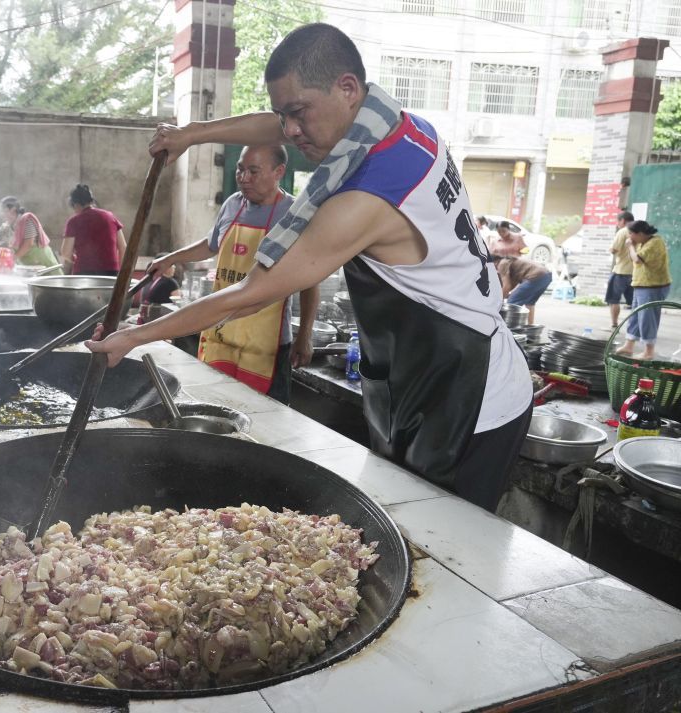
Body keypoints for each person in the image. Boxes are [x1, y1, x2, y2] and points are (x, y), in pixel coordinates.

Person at [88, 23, 532, 512]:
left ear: (347, 88)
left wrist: (133, 338)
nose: (290, 131)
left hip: (471, 396)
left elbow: (251, 294)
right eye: (285, 116)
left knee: (447, 545)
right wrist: (193, 135)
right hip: (427, 370)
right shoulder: (398, 126)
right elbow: (273, 123)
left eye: (299, 114)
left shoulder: (367, 196)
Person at [146, 145, 320, 404]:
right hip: (221, 335)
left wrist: (305, 335)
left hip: (266, 346)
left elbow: (310, 281)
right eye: (240, 169)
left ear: (279, 172)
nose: (244, 178)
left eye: (253, 171)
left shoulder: (294, 215)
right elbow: (211, 244)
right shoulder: (232, 204)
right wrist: (172, 258)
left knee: (264, 421)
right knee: (215, 409)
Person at [615, 220, 672, 360]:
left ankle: (649, 351)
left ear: (640, 233)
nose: (630, 237)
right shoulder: (642, 242)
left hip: (653, 286)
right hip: (641, 284)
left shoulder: (655, 242)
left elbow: (637, 259)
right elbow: (633, 257)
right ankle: (629, 345)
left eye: (631, 234)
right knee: (635, 315)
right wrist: (632, 246)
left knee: (648, 318)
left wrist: (630, 246)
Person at [61, 184, 127, 276]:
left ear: (75, 204)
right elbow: (123, 247)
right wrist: (121, 273)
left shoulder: (74, 221)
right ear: (91, 201)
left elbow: (65, 252)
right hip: (111, 273)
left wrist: (73, 258)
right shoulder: (110, 217)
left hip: (83, 273)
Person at [492, 254, 552, 325]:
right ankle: (530, 327)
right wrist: (508, 294)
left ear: (494, 262)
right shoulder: (511, 261)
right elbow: (511, 285)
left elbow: (506, 286)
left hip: (536, 276)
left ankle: (509, 329)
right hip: (546, 276)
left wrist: (498, 301)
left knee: (512, 303)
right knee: (530, 303)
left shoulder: (501, 264)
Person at [605, 210, 635, 330]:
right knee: (634, 302)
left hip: (620, 271)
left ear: (623, 220)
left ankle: (614, 324)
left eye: (618, 221)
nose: (617, 224)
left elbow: (614, 250)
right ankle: (635, 327)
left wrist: (610, 249)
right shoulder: (638, 232)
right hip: (634, 273)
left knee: (614, 299)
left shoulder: (623, 232)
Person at [136, 253, 181, 325]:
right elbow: (178, 303)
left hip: (144, 318)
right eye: (172, 265)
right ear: (164, 267)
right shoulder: (171, 282)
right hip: (159, 320)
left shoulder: (149, 279)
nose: (174, 267)